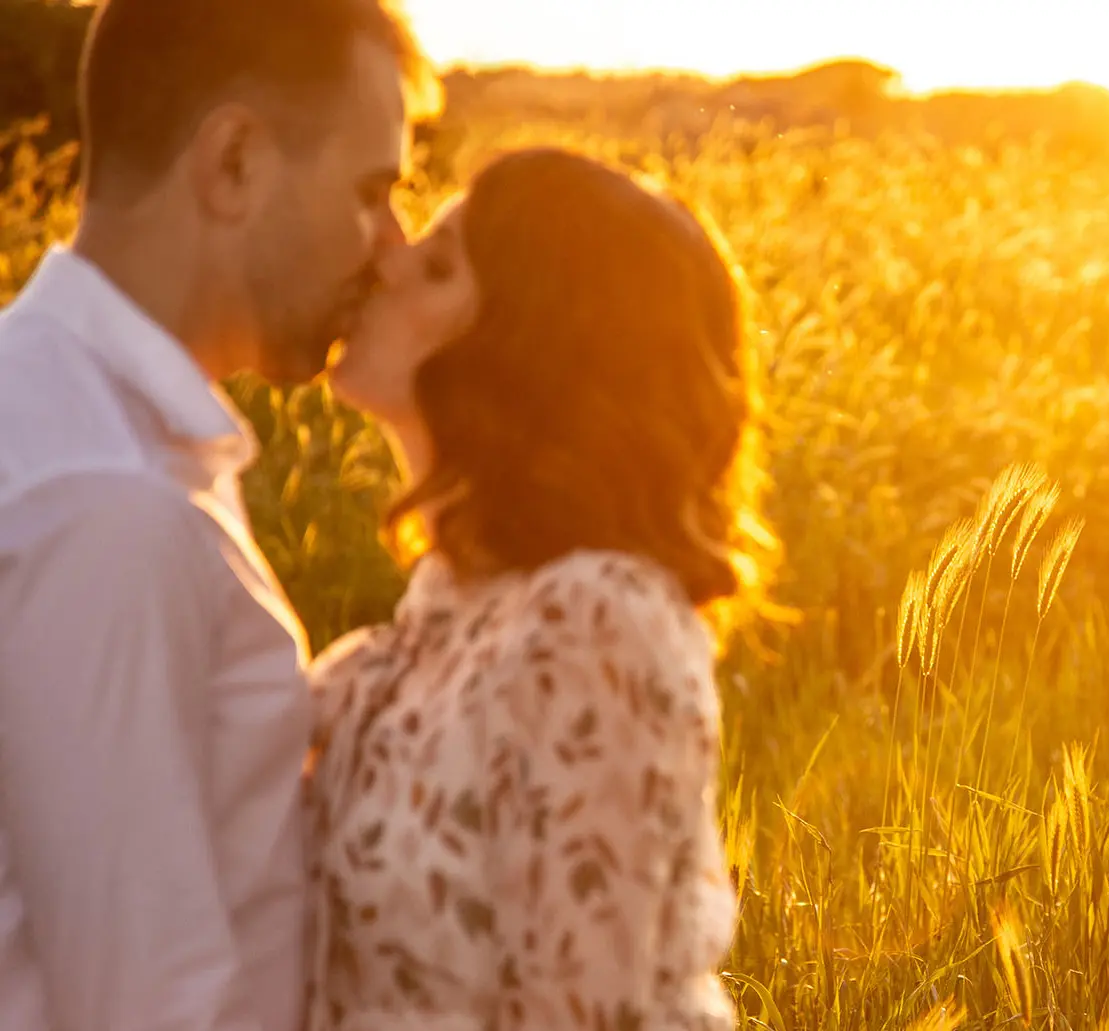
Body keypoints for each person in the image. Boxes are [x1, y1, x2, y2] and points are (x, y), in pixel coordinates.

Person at [0, 0, 428, 1028]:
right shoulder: (107, 501)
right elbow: (142, 1002)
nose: (392, 245)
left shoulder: (76, 413)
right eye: (372, 192)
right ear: (234, 162)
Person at [306, 147, 772, 1029]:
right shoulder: (416, 636)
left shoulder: (599, 620)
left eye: (439, 267)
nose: (387, 257)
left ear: (527, 350)